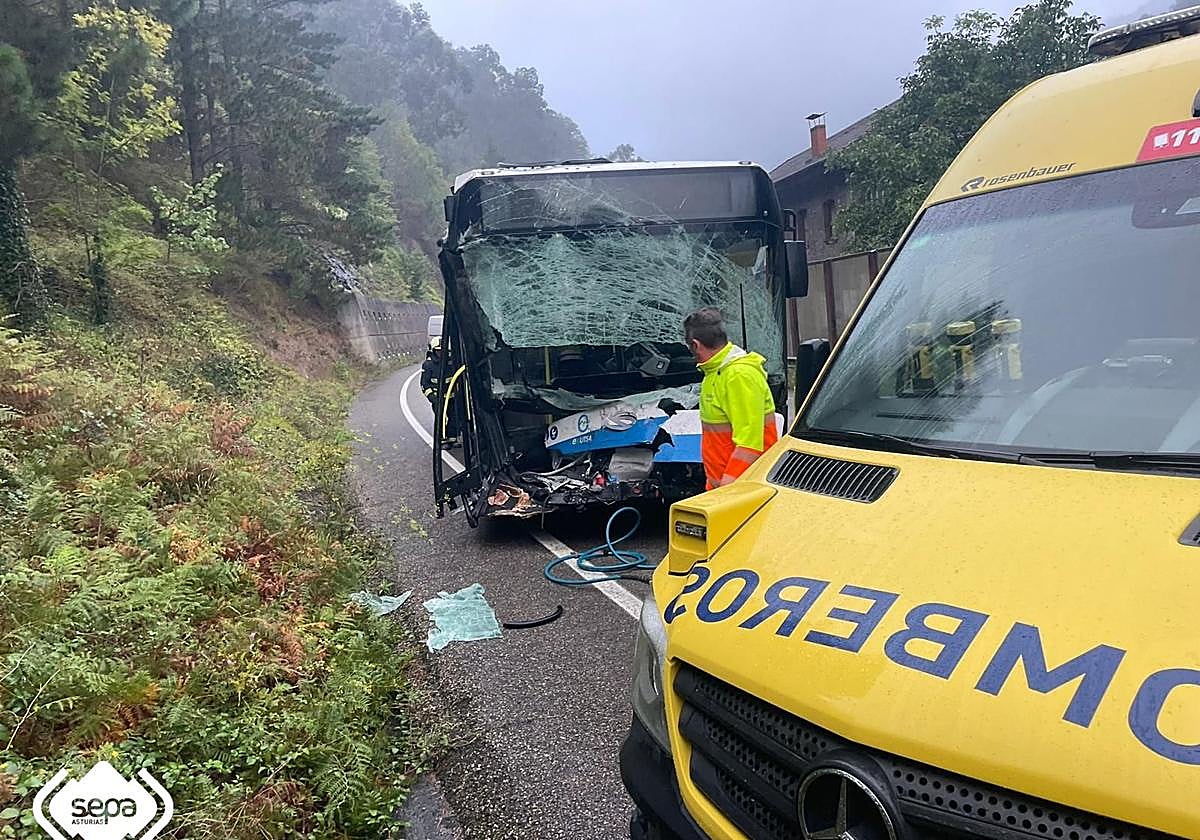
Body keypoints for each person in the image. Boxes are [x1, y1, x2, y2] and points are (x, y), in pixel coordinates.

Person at [684, 307, 778, 490]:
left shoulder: (738, 376)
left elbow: (750, 444)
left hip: (742, 491)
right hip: (728, 487)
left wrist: (726, 490)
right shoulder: (716, 372)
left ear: (695, 345)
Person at [420, 338, 458, 446]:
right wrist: (432, 397)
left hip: (452, 397)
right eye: (439, 351)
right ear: (433, 351)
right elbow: (424, 384)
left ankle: (452, 438)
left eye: (444, 351)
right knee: (441, 418)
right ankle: (442, 440)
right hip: (437, 398)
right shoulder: (428, 365)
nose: (442, 353)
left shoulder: (451, 362)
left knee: (454, 417)